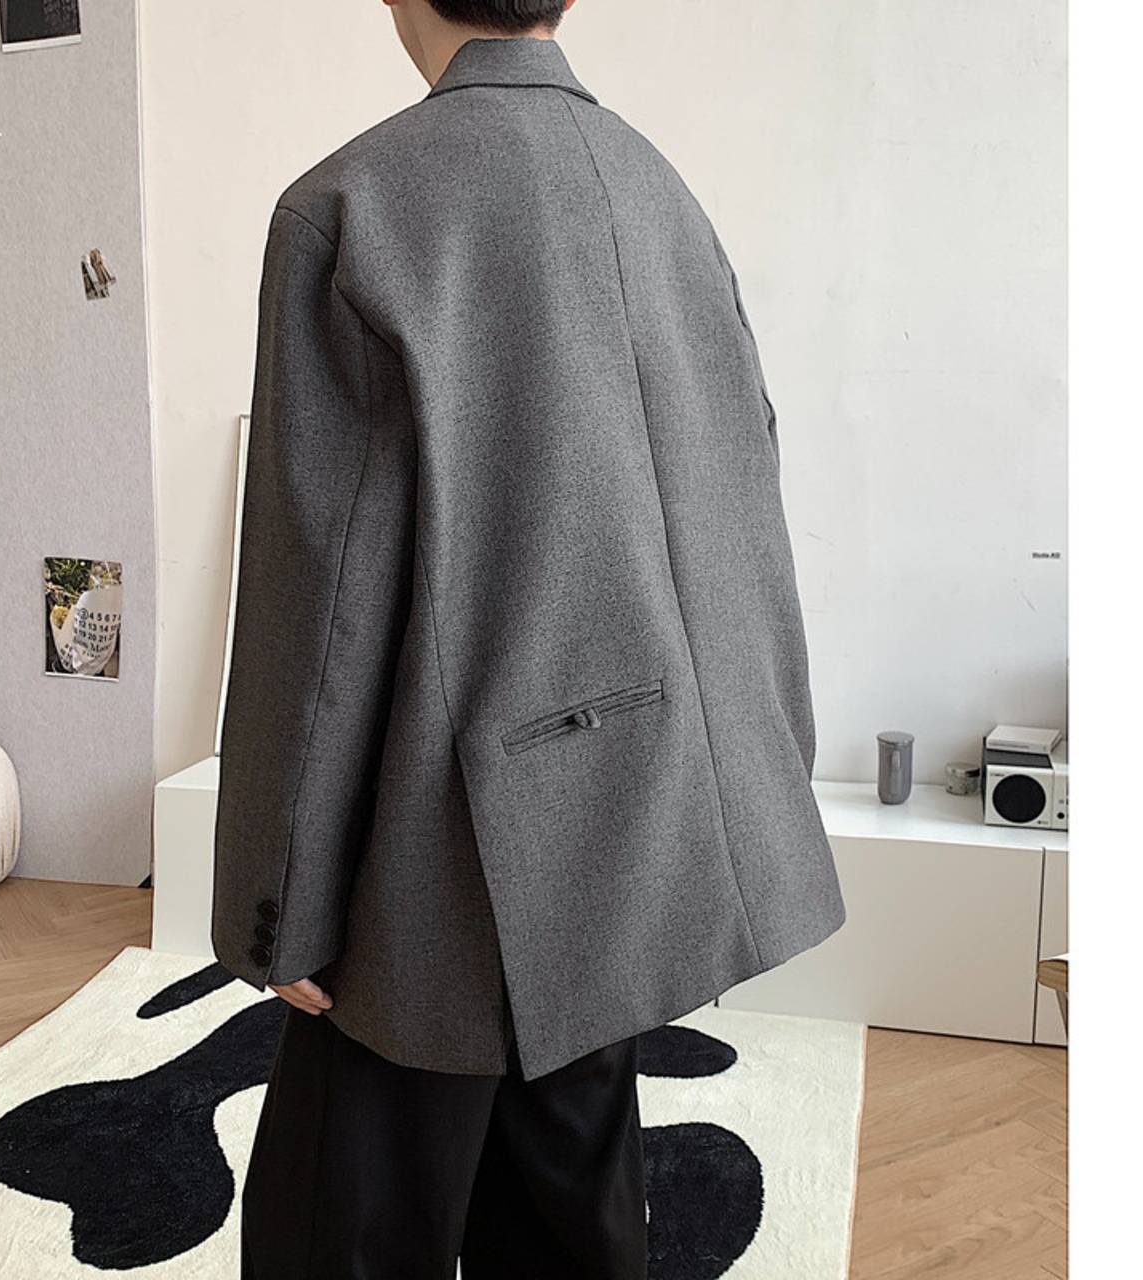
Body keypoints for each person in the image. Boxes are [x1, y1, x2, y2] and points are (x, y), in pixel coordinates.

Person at [212, 2, 847, 1276]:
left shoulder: (350, 208)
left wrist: (282, 901)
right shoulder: (660, 189)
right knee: (568, 1185)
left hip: (432, 834)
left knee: (342, 1222)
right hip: (629, 794)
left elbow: (318, 594)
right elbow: (743, 503)